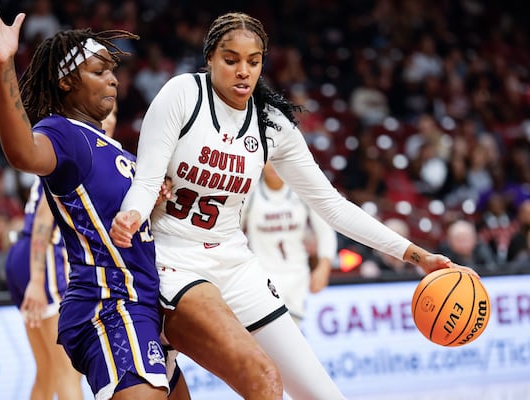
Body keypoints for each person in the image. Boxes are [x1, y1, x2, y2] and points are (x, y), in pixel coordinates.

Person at [109, 11, 478, 400]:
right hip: (175, 262)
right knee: (260, 376)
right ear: (210, 59)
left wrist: (416, 255)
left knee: (323, 395)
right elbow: (147, 180)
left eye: (253, 62)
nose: (242, 72)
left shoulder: (271, 124)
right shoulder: (184, 94)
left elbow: (332, 206)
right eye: (230, 60)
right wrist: (132, 213)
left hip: (235, 265)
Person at [0, 1, 189, 399]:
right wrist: (4, 64)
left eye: (112, 71)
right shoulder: (65, 134)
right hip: (112, 305)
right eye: (99, 72)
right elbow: (23, 152)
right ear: (66, 83)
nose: (112, 80)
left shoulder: (115, 150)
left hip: (146, 305)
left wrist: (156, 200)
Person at [4, 176, 83, 400]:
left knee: (48, 370)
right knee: (68, 370)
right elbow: (43, 219)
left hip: (23, 253)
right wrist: (38, 281)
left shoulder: (61, 150)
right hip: (43, 257)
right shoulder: (72, 153)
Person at [241, 162, 336, 325]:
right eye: (270, 159)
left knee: (293, 337)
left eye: (279, 159)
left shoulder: (301, 191)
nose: (274, 166)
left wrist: (324, 266)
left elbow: (325, 231)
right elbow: (232, 232)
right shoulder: (249, 193)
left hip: (297, 275)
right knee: (267, 340)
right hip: (262, 276)